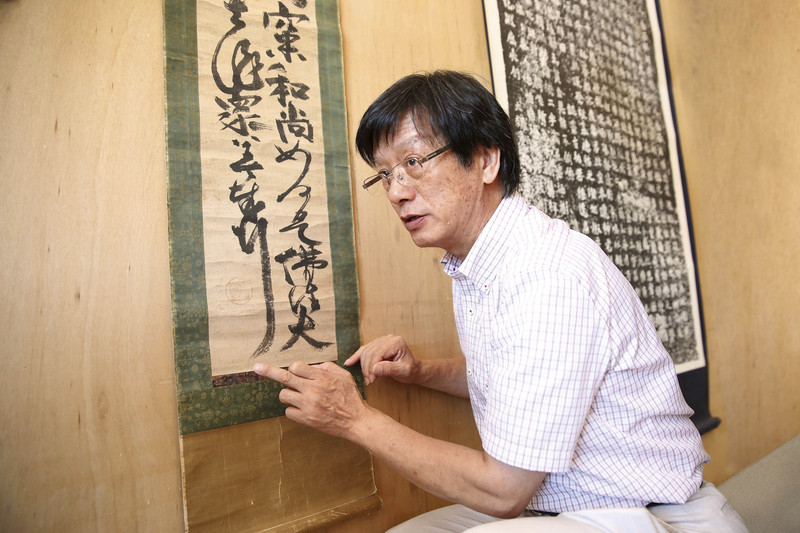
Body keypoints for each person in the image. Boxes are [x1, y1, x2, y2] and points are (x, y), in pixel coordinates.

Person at [253, 71, 746, 532]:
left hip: (644, 515)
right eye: (384, 174)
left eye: (413, 163)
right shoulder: (481, 260)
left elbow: (503, 490)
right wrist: (420, 371)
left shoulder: (545, 276)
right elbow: (517, 379)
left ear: (486, 161)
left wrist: (352, 417)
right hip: (558, 503)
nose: (396, 192)